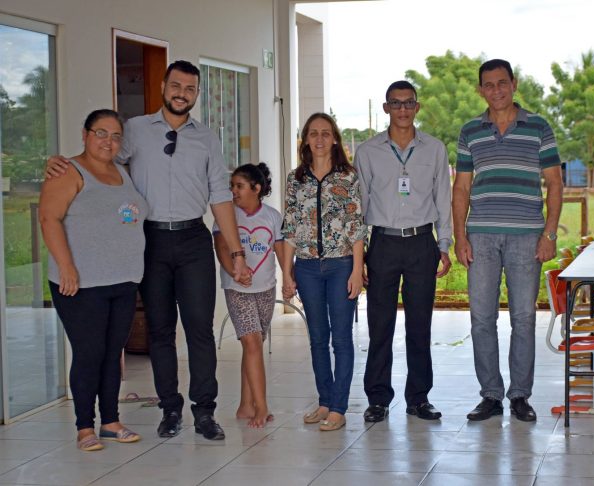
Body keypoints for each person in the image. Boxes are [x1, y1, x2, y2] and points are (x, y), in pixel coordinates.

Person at [45, 60, 251, 441]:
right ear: (163, 87)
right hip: (150, 240)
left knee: (200, 329)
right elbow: (101, 160)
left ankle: (204, 411)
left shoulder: (207, 138)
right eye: (176, 86)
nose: (181, 94)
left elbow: (221, 196)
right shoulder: (136, 130)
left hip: (193, 239)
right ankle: (170, 409)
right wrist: (63, 163)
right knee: (159, 330)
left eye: (190, 89)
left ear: (197, 94)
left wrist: (237, 253)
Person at [452, 59, 563, 423]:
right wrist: (460, 236)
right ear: (480, 90)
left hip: (526, 236)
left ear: (514, 84)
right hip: (481, 236)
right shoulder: (471, 131)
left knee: (524, 318)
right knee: (481, 318)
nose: (496, 90)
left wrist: (549, 234)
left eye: (502, 83)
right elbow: (462, 187)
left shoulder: (538, 127)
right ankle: (491, 395)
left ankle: (519, 395)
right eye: (489, 84)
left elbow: (555, 183)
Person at [40, 109, 148, 451]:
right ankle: (85, 427)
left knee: (112, 353)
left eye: (115, 136)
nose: (108, 141)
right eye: (101, 133)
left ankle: (111, 422)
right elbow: (48, 218)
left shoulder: (122, 171)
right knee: (89, 353)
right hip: (81, 283)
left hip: (122, 280)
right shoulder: (67, 171)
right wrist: (66, 266)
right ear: (85, 134)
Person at [354, 81, 453, 423]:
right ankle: (378, 399)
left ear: (417, 106)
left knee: (420, 325)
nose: (402, 109)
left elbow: (443, 198)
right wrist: (358, 256)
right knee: (380, 325)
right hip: (382, 243)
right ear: (386, 108)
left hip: (421, 243)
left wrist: (444, 245)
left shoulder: (434, 149)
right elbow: (359, 205)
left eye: (408, 103)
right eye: (395, 103)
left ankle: (419, 398)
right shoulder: (368, 151)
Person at [281, 112, 366, 432]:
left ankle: (339, 407)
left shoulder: (348, 177)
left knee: (341, 339)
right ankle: (324, 402)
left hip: (340, 264)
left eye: (325, 133)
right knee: (317, 338)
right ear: (305, 139)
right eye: (313, 133)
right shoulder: (296, 179)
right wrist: (286, 273)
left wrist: (357, 270)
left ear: (334, 140)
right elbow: (290, 228)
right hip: (306, 268)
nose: (319, 139)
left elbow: (357, 226)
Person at [213, 163, 284, 428]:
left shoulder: (272, 216)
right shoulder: (226, 215)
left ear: (256, 188)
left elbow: (280, 250)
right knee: (252, 343)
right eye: (232, 185)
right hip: (237, 289)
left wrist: (289, 278)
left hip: (266, 289)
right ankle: (261, 407)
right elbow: (221, 247)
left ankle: (245, 405)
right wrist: (235, 272)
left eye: (239, 186)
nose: (233, 191)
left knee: (253, 346)